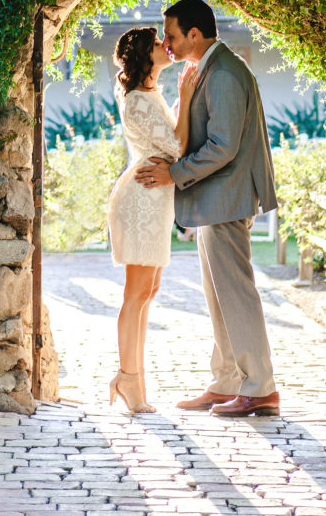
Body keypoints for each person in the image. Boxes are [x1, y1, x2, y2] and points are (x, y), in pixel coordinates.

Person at [135, 0, 280, 417]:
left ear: (195, 34)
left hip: (227, 199)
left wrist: (173, 173)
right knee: (219, 296)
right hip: (214, 201)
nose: (167, 43)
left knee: (236, 293)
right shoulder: (207, 69)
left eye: (172, 35)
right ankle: (227, 382)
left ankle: (260, 388)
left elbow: (223, 146)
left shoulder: (225, 74)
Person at [108, 25, 198, 413]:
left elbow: (169, 139)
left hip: (155, 199)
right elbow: (177, 146)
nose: (167, 46)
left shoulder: (149, 94)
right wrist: (186, 98)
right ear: (146, 55)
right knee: (136, 294)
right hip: (141, 200)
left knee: (148, 291)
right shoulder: (138, 100)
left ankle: (133, 379)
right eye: (159, 43)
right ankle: (128, 379)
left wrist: (178, 101)